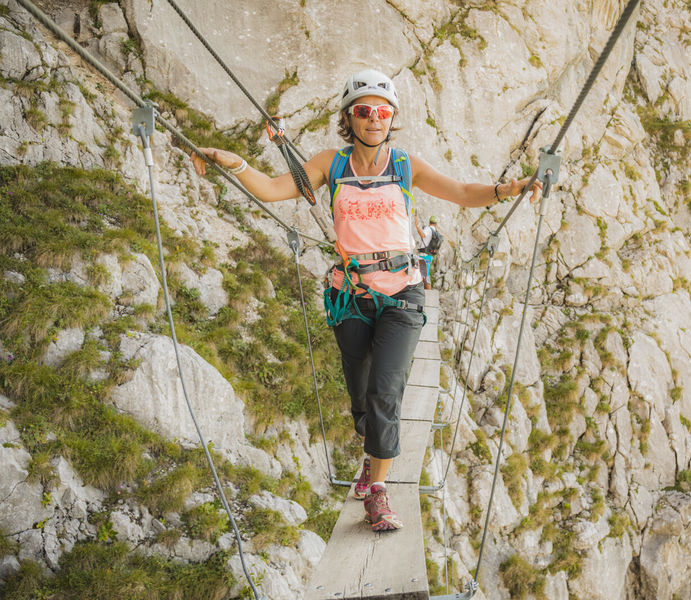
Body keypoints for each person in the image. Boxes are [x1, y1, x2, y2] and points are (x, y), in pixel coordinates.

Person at [191, 69, 540, 532]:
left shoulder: (404, 165)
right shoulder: (329, 164)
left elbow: (459, 192)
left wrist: (507, 190)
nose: (374, 118)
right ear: (349, 118)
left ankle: (378, 492)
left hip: (403, 294)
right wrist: (232, 162)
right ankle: (371, 451)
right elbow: (274, 189)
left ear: (392, 117)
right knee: (361, 397)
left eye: (382, 111)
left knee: (384, 393)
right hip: (351, 296)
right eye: (364, 110)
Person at [415, 215, 441, 289]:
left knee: (425, 276)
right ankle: (427, 294)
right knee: (424, 275)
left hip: (423, 256)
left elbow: (423, 235)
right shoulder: (435, 231)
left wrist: (416, 226)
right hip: (429, 256)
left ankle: (428, 295)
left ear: (429, 222)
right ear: (436, 224)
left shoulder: (428, 229)